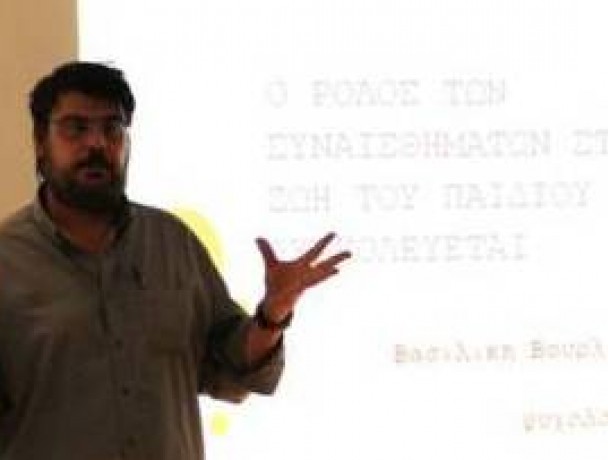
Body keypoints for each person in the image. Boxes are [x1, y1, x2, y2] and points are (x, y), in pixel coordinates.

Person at [0, 61, 351, 460]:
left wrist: (272, 314)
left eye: (112, 128)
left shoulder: (173, 243)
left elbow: (232, 368)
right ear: (40, 142)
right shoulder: (9, 260)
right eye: (75, 128)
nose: (96, 144)